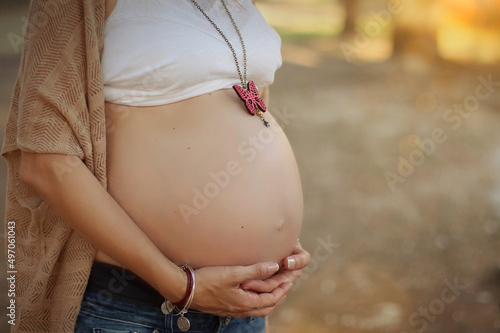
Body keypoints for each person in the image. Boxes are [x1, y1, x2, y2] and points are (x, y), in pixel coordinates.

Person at [2, 0, 310, 332]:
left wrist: (275, 246)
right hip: (138, 309)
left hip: (243, 309)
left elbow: (248, 102)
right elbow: (45, 162)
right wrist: (180, 287)